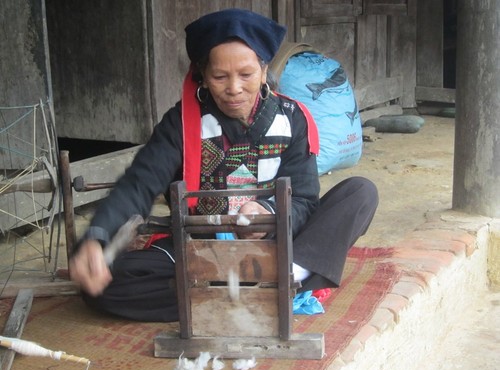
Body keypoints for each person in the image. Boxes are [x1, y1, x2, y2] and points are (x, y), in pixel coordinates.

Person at [69, 8, 378, 322]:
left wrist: (268, 212)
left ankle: (279, 276)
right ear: (202, 74)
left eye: (246, 74)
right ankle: (265, 289)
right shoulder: (182, 123)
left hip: (281, 247)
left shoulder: (293, 119)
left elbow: (304, 200)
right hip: (202, 251)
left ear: (264, 68)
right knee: (100, 287)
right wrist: (98, 236)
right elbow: (139, 184)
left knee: (360, 194)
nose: (234, 88)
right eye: (219, 76)